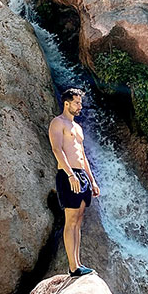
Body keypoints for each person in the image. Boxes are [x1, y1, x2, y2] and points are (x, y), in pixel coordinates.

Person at [48, 87, 100, 277]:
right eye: (77, 102)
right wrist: (71, 175)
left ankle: (78, 263)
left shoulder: (77, 128)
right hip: (68, 174)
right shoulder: (57, 123)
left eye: (80, 102)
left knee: (78, 221)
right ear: (67, 103)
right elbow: (57, 149)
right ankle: (72, 267)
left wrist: (92, 181)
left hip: (82, 176)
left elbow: (83, 155)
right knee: (70, 221)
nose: (80, 106)